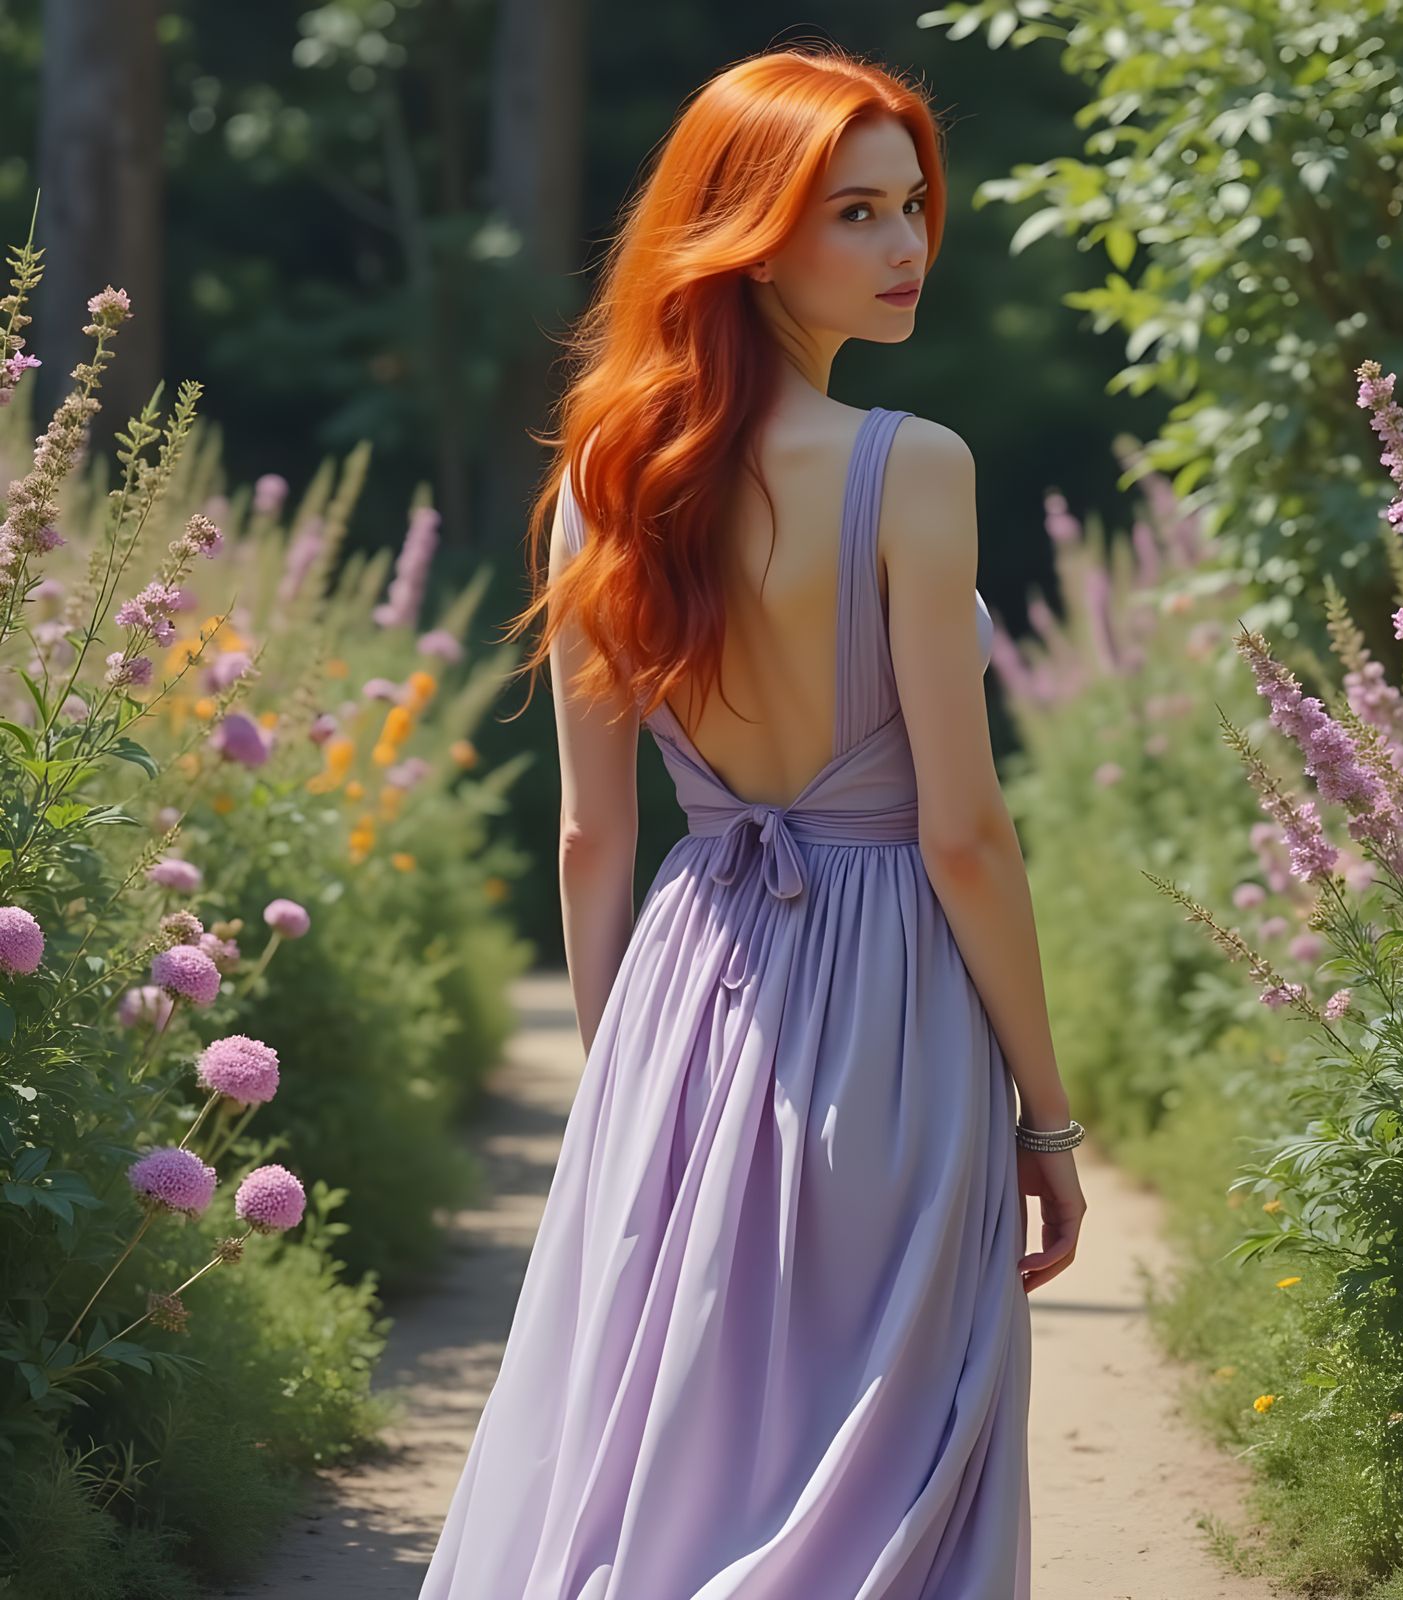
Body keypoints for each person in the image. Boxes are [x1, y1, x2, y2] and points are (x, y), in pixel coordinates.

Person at [419, 41, 1087, 1599]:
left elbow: (593, 837)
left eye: (913, 203)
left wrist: (620, 1087)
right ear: (749, 227)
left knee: (673, 1447)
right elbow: (964, 835)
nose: (907, 243)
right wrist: (1045, 1119)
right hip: (894, 1010)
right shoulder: (910, 467)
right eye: (852, 211)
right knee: (889, 1455)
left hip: (686, 989)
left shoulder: (604, 479)